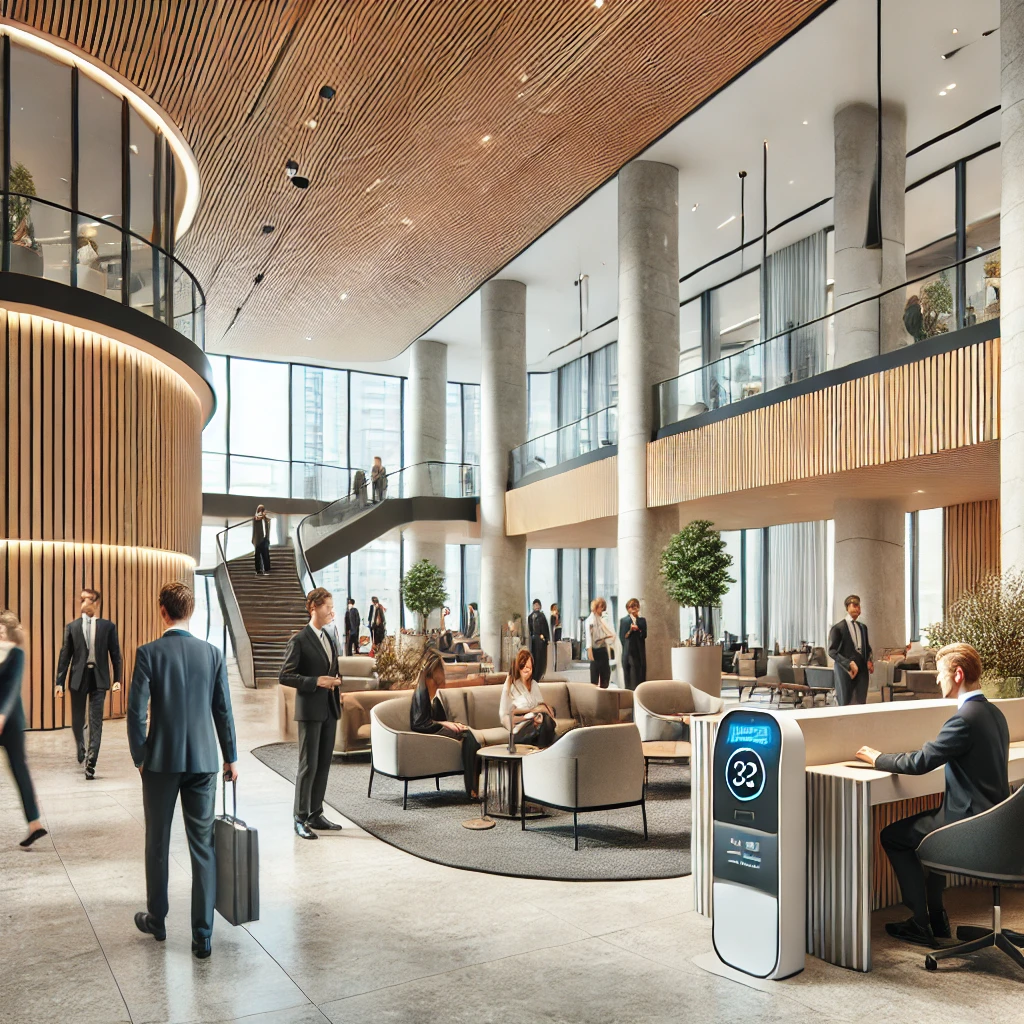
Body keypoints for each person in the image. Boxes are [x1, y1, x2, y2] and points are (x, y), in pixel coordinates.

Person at [855, 643, 1009, 947]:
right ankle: (937, 917)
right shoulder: (994, 713)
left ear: (958, 674)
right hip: (995, 823)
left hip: (968, 825)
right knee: (929, 832)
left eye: (940, 673)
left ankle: (920, 922)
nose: (937, 680)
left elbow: (920, 762)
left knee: (894, 836)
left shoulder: (964, 719)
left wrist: (878, 757)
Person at [129, 582, 237, 960]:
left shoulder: (148, 653)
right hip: (205, 762)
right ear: (189, 612)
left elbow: (135, 710)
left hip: (160, 762)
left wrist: (139, 756)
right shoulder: (212, 654)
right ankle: (202, 936)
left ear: (162, 610)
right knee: (202, 847)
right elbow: (222, 709)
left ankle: (157, 920)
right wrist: (231, 757)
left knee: (157, 843)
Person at [279, 587, 344, 840]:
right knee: (308, 765)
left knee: (324, 764)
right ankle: (300, 817)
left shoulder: (328, 638)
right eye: (327, 606)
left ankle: (316, 812)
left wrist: (336, 683)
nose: (331, 611)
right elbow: (285, 675)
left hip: (329, 708)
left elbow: (332, 669)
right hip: (310, 711)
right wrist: (317, 681)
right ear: (313, 608)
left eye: (331, 606)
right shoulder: (299, 640)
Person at [55, 587, 123, 779]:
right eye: (82, 600)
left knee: (95, 722)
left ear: (96, 603)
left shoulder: (108, 627)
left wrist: (118, 679)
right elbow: (64, 656)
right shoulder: (72, 627)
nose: (84, 603)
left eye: (88, 600)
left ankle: (91, 762)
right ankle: (80, 746)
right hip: (78, 678)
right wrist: (58, 682)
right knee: (78, 721)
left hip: (99, 678)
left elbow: (116, 655)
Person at [0, 611, 47, 848]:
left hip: (11, 722)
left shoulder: (17, 654)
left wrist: (1, 715)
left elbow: (11, 688)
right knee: (19, 768)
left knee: (19, 768)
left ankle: (34, 824)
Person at [410, 650, 480, 798]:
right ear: (432, 672)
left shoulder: (430, 691)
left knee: (470, 735)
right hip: (428, 731)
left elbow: (437, 717)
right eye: (440, 670)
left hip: (434, 728)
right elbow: (419, 723)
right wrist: (446, 724)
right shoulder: (421, 691)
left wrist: (450, 724)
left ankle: (474, 786)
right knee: (469, 736)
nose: (443, 675)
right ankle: (472, 788)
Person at [499, 649, 556, 748]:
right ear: (518, 667)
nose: (526, 670)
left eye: (529, 667)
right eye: (523, 666)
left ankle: (541, 751)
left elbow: (541, 706)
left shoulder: (534, 684)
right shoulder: (511, 685)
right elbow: (504, 716)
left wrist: (540, 712)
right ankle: (542, 752)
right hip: (521, 728)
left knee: (547, 720)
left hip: (537, 723)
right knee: (546, 722)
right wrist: (527, 717)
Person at [827, 594, 872, 706]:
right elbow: (832, 651)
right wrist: (848, 664)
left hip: (862, 671)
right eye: (854, 605)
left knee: (861, 702)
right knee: (846, 703)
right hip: (845, 671)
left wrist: (869, 660)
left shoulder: (863, 627)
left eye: (859, 606)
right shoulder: (838, 628)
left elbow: (867, 647)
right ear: (847, 608)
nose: (857, 608)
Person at [619, 598, 648, 690]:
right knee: (629, 677)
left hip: (639, 651)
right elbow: (623, 637)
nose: (634, 609)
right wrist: (631, 630)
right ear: (628, 609)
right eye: (631, 607)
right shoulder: (624, 621)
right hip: (628, 652)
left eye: (636, 606)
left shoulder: (642, 621)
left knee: (639, 675)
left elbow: (644, 635)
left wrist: (638, 629)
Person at [586, 597, 615, 688]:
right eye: (601, 607)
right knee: (595, 677)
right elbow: (588, 637)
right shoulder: (590, 620)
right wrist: (589, 650)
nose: (602, 610)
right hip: (595, 650)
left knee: (605, 675)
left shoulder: (600, 619)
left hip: (603, 649)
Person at [528, 598, 551, 681]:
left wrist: (546, 638)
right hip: (534, 640)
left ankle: (540, 674)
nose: (536, 607)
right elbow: (530, 629)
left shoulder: (542, 616)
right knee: (534, 657)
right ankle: (534, 674)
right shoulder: (530, 617)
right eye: (535, 605)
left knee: (541, 657)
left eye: (538, 605)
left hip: (540, 640)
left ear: (540, 606)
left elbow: (545, 628)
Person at [252, 504, 272, 575]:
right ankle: (258, 570)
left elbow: (269, 521)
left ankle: (267, 569)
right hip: (258, 540)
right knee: (257, 556)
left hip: (265, 539)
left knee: (265, 555)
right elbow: (257, 517)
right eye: (260, 509)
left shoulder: (265, 519)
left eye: (262, 509)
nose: (261, 511)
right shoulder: (256, 518)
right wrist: (261, 515)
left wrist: (267, 538)